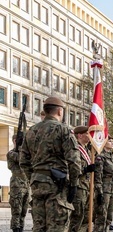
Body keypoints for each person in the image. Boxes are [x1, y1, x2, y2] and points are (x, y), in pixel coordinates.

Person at [20, 96, 81, 232]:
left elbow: (23, 161)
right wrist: (74, 184)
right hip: (56, 185)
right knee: (57, 227)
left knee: (39, 227)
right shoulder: (62, 129)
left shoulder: (31, 131)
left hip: (37, 184)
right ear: (59, 111)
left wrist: (33, 177)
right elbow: (74, 161)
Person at [69, 126, 95, 232]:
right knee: (77, 217)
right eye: (87, 134)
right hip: (78, 186)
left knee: (86, 216)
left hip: (87, 187)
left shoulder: (88, 151)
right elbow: (72, 168)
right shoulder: (75, 149)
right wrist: (85, 170)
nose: (90, 136)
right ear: (80, 135)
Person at [93, 135, 113, 231]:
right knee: (101, 217)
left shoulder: (112, 157)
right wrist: (99, 192)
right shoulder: (100, 157)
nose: (112, 143)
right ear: (104, 142)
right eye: (110, 141)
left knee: (109, 217)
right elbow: (98, 176)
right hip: (104, 189)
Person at [7, 134, 29, 232]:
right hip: (17, 184)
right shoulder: (11, 153)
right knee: (17, 210)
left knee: (24, 211)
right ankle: (16, 229)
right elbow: (21, 159)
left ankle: (21, 228)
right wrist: (20, 147)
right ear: (13, 141)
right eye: (17, 140)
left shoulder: (25, 152)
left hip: (26, 184)